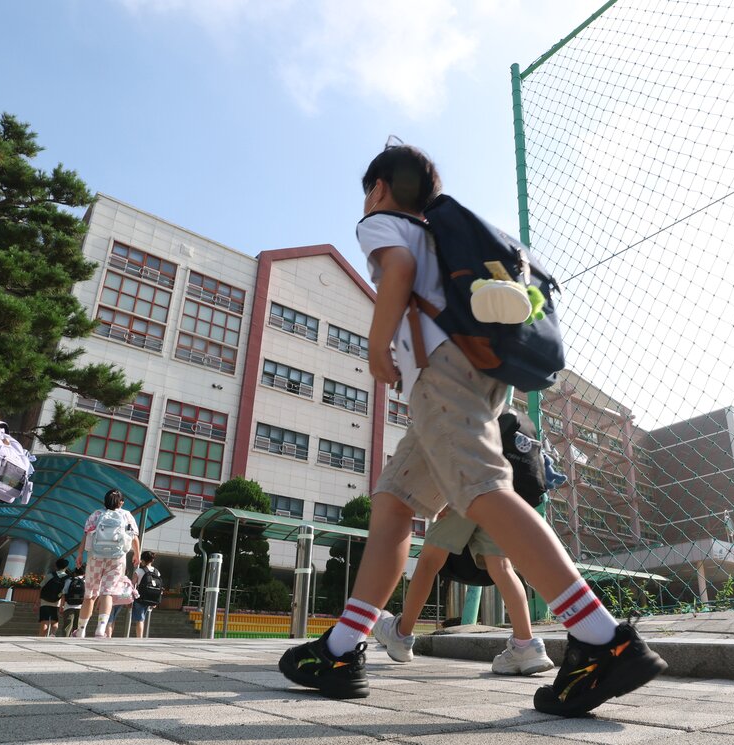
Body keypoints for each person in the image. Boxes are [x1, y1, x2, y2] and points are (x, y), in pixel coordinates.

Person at [278, 142, 666, 716]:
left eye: (368, 191)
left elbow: (398, 272)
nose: (367, 201)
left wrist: (378, 343)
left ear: (379, 189)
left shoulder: (384, 225)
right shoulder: (440, 233)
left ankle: (603, 638)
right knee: (392, 503)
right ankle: (341, 650)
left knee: (486, 492)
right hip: (469, 374)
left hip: (441, 378)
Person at [374, 509, 553, 675]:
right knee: (502, 566)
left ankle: (401, 635)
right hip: (499, 489)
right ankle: (525, 645)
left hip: (461, 483)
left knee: (430, 561)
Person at [75, 489, 140, 638]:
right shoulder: (126, 515)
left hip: (95, 557)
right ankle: (100, 629)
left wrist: (79, 554)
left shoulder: (96, 515)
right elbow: (134, 537)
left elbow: (86, 535)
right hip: (117, 558)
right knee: (108, 592)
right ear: (121, 502)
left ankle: (81, 630)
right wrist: (137, 554)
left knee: (90, 594)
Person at [131, 550, 161, 638]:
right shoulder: (157, 572)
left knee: (140, 619)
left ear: (142, 560)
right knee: (143, 618)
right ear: (152, 560)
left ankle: (139, 638)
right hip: (152, 598)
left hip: (140, 598)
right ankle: (142, 637)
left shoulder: (139, 571)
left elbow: (132, 584)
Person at [38, 558, 72, 637]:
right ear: (66, 567)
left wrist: (38, 601)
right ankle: (53, 634)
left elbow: (41, 587)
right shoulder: (67, 578)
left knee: (45, 621)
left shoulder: (50, 575)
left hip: (45, 601)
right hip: (57, 602)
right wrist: (62, 605)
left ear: (56, 566)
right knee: (55, 621)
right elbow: (65, 592)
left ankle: (41, 637)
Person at [59, 565, 86, 637]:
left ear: (75, 573)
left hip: (68, 606)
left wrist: (62, 606)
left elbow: (64, 594)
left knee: (67, 626)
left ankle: (64, 639)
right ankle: (75, 640)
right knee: (77, 626)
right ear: (84, 573)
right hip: (81, 607)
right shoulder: (85, 581)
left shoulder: (69, 580)